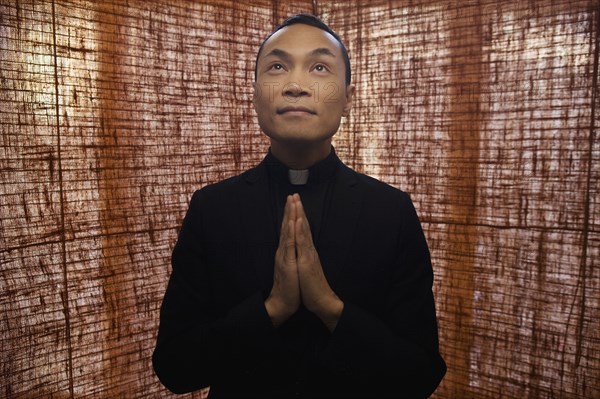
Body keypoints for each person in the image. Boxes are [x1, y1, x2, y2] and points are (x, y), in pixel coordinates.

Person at [152, 13, 446, 398]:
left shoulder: (391, 212)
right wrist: (273, 309)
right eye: (277, 66)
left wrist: (329, 307)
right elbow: (175, 365)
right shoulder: (212, 209)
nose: (295, 85)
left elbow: (421, 373)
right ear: (255, 96)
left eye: (319, 67)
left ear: (347, 98)